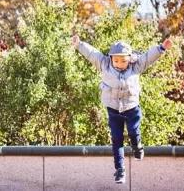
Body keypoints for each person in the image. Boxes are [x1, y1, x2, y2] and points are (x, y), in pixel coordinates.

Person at [71, 35, 173, 184]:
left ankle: (137, 146)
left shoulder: (135, 66)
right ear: (111, 58)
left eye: (123, 61)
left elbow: (147, 58)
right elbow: (92, 53)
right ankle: (120, 170)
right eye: (116, 61)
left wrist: (161, 48)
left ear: (129, 59)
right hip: (113, 110)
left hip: (131, 108)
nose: (119, 64)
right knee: (117, 139)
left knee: (133, 130)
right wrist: (79, 44)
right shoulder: (104, 64)